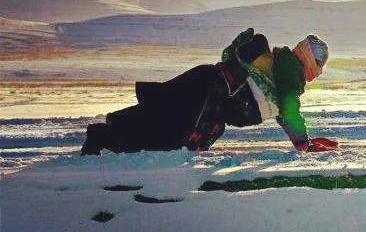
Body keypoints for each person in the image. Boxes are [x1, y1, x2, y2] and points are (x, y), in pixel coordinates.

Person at [80, 29, 338, 154]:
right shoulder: (290, 72)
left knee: (163, 121)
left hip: (209, 91)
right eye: (319, 59)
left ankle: (106, 133)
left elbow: (284, 111)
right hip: (209, 93)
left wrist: (302, 139)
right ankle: (102, 137)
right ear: (309, 60)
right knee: (170, 137)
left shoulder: (283, 69)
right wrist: (304, 143)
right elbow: (289, 106)